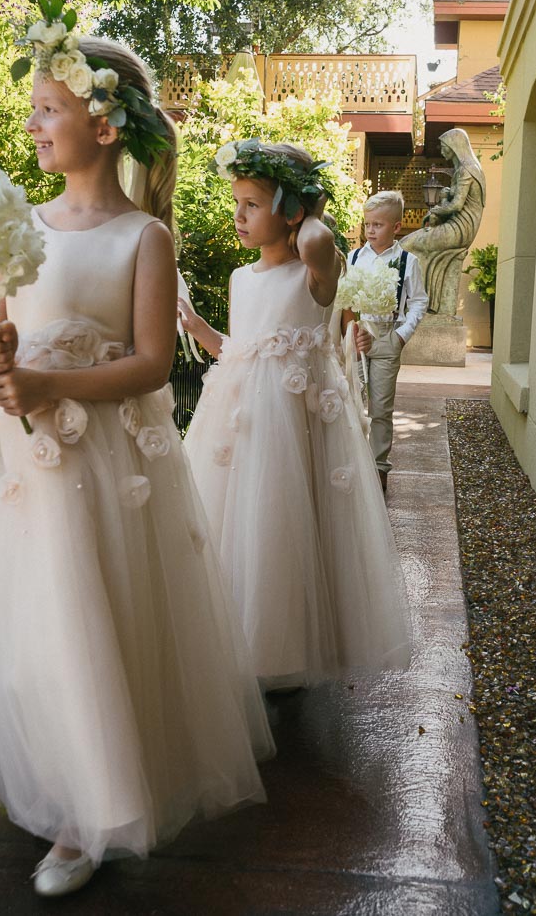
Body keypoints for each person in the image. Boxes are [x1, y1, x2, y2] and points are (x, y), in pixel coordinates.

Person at [0, 14, 273, 899]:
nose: (32, 125)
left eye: (47, 108)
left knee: (92, 620)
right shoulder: (18, 225)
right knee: (26, 631)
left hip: (104, 460)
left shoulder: (143, 238)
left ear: (103, 125)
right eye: (32, 110)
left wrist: (51, 385)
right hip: (22, 462)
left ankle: (88, 814)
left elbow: (148, 365)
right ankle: (48, 768)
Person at [178, 140, 411, 693]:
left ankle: (288, 651)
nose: (238, 215)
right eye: (236, 202)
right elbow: (238, 351)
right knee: (243, 529)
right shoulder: (241, 278)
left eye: (254, 203)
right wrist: (196, 329)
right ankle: (245, 643)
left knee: (287, 525)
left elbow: (321, 241)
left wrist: (306, 211)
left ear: (291, 209)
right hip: (243, 422)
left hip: (295, 422)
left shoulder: (315, 268)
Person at [343, 191, 427, 492]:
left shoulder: (408, 261)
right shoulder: (354, 257)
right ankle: (353, 462)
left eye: (378, 225)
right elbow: (346, 299)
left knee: (380, 407)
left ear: (396, 227)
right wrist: (350, 331)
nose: (371, 231)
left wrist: (400, 337)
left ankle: (378, 467)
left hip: (387, 336)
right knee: (352, 401)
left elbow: (418, 302)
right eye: (367, 224)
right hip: (357, 338)